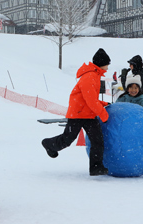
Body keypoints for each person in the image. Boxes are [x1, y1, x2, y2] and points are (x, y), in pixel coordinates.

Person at [41, 48, 111, 176]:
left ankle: (96, 167)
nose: (108, 67)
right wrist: (104, 115)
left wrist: (104, 104)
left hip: (88, 114)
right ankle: (49, 144)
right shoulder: (90, 76)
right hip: (78, 114)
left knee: (97, 140)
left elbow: (91, 100)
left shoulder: (95, 75)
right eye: (107, 63)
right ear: (102, 63)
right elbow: (90, 101)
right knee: (68, 139)